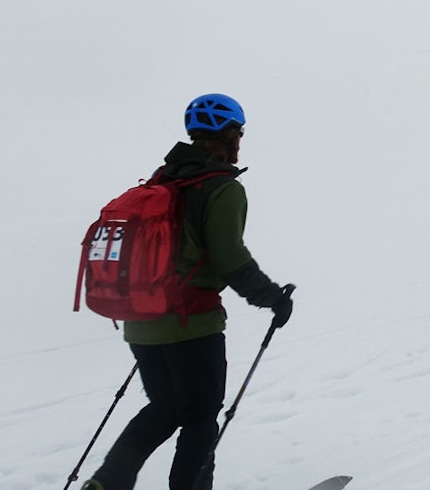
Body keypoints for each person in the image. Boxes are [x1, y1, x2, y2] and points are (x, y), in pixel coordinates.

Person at [83, 94, 293, 490]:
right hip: (191, 323)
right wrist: (273, 298)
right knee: (200, 415)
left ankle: (105, 484)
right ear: (229, 134)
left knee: (164, 408)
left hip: (140, 319)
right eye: (239, 133)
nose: (240, 140)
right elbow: (230, 258)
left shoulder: (165, 178)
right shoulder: (222, 188)